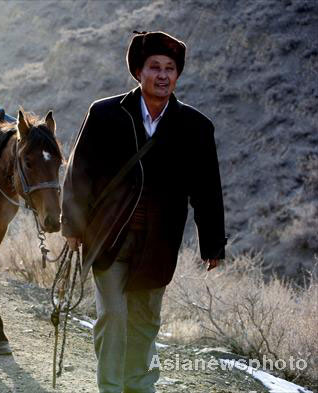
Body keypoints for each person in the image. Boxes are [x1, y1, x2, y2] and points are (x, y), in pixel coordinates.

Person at [61, 31, 227, 393]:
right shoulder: (105, 114)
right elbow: (79, 173)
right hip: (108, 236)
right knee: (114, 316)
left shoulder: (196, 127)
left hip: (159, 244)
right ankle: (111, 386)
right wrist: (72, 225)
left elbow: (207, 190)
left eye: (170, 68)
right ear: (139, 71)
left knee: (145, 321)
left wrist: (212, 244)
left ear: (178, 75)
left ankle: (139, 385)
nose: (163, 75)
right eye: (155, 67)